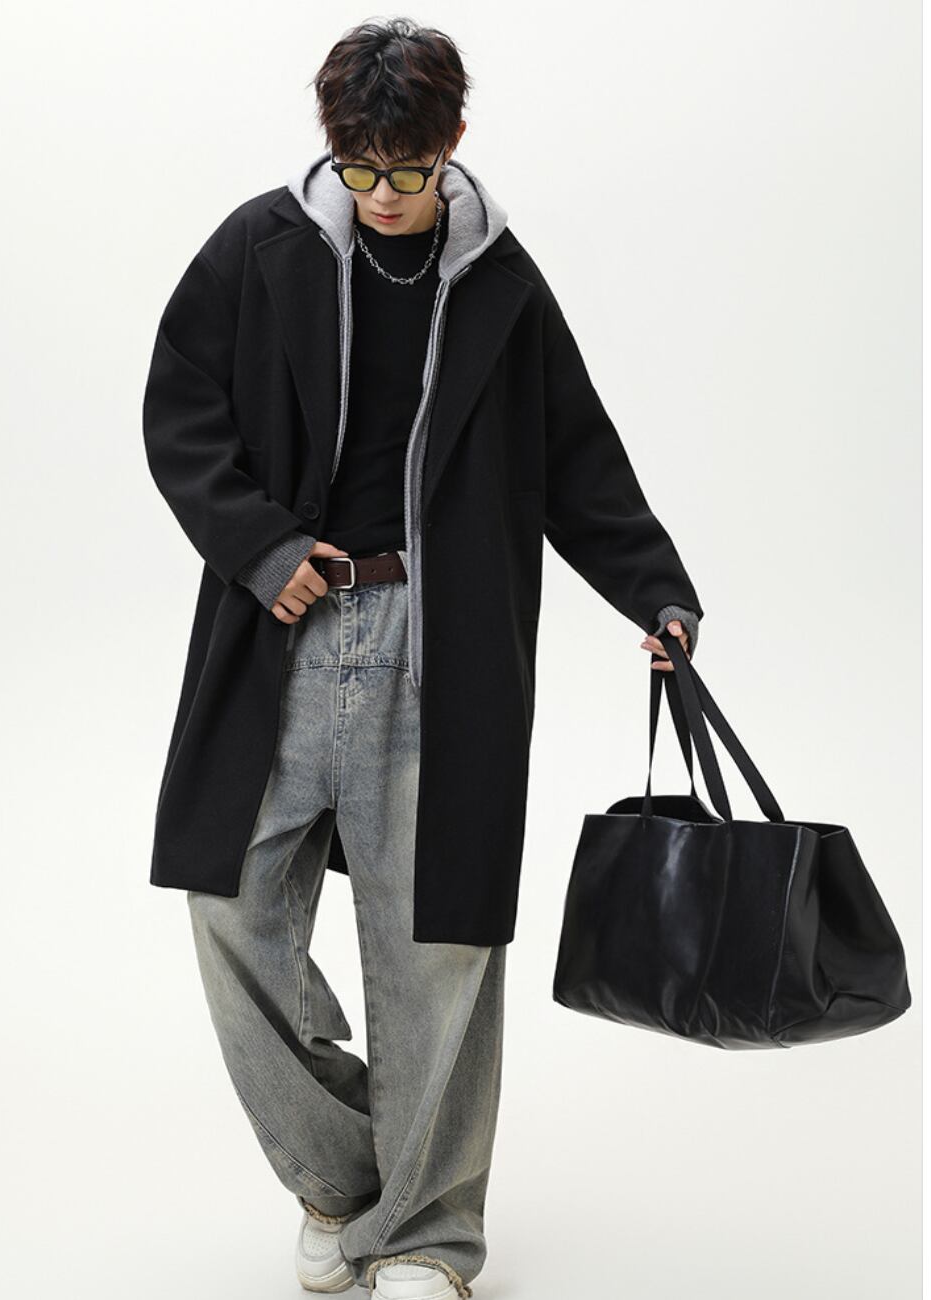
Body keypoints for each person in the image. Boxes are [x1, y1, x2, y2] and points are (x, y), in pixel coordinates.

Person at [142, 18, 703, 1299]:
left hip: (437, 646)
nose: (384, 196)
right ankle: (345, 1178)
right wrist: (259, 544)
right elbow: (179, 411)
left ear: (453, 142)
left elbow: (575, 456)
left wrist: (656, 590)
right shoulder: (258, 248)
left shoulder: (502, 282)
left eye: (408, 170)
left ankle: (429, 1234)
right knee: (230, 906)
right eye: (360, 170)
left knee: (436, 945)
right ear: (331, 146)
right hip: (280, 630)